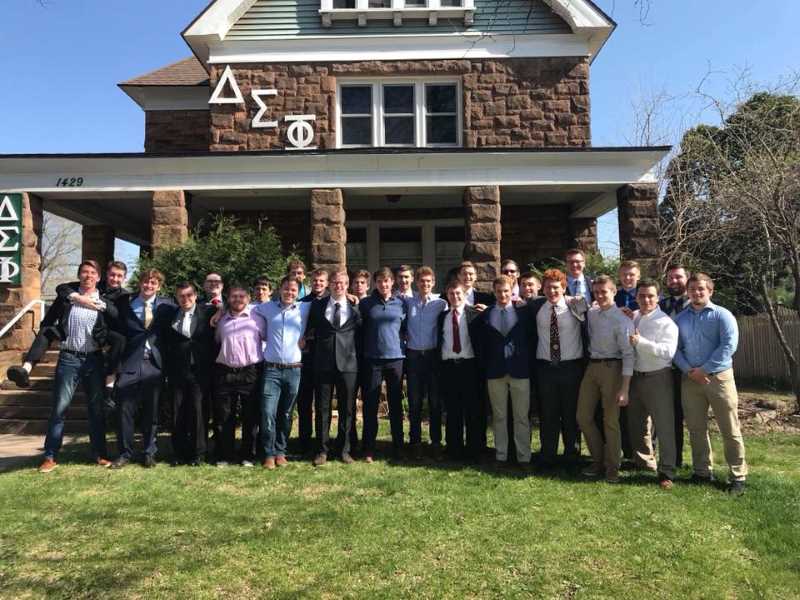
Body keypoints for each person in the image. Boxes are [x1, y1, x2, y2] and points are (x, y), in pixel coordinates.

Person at [674, 273, 747, 495]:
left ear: (710, 291)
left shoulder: (722, 315)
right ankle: (702, 472)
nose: (696, 292)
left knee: (729, 428)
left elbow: (728, 346)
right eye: (693, 289)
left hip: (719, 378)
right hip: (690, 380)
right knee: (696, 429)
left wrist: (704, 370)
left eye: (701, 289)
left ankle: (738, 476)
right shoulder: (681, 319)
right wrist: (689, 370)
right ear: (688, 291)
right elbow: (674, 350)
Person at [36, 261, 112, 473]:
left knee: (96, 410)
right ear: (79, 276)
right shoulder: (68, 298)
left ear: (98, 277)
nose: (88, 276)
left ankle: (99, 454)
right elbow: (59, 294)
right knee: (59, 408)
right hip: (69, 358)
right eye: (84, 272)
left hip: (94, 360)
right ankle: (50, 456)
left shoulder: (103, 302)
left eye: (92, 273)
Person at [7, 260, 128, 393]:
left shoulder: (124, 296)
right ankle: (26, 368)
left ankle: (110, 380)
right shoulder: (93, 283)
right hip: (73, 328)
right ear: (105, 275)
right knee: (47, 328)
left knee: (121, 339)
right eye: (112, 275)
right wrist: (78, 297)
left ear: (124, 277)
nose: (115, 279)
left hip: (102, 332)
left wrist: (101, 304)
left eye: (119, 276)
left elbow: (119, 316)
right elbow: (61, 288)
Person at [111, 269, 174, 469]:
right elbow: (117, 333)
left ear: (159, 286)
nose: (149, 285)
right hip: (129, 363)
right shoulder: (125, 304)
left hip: (154, 365)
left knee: (151, 412)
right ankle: (125, 453)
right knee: (124, 411)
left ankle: (149, 452)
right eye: (146, 282)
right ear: (140, 283)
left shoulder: (167, 306)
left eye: (153, 283)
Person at [576, 275, 634, 483]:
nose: (600, 295)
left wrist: (625, 388)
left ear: (614, 292)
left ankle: (612, 467)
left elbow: (628, 354)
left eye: (604, 292)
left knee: (610, 420)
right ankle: (598, 459)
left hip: (613, 368)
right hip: (592, 367)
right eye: (597, 292)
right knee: (583, 417)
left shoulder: (622, 319)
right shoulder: (592, 313)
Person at [529, 268, 587, 468]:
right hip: (546, 368)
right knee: (548, 413)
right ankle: (548, 455)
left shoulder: (575, 305)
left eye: (556, 287)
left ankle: (572, 456)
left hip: (571, 368)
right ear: (542, 289)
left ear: (563, 288)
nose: (552, 291)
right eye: (547, 288)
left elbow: (594, 316)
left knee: (571, 414)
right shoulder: (536, 307)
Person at [304, 270, 361, 466]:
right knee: (322, 409)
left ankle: (344, 450)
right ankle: (322, 450)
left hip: (348, 364)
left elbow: (362, 332)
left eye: (342, 283)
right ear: (330, 285)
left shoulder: (355, 306)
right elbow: (308, 327)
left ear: (348, 285)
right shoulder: (317, 305)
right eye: (335, 282)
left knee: (347, 409)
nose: (339, 286)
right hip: (323, 364)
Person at [254, 276, 311, 469]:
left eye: (293, 290)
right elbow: (243, 307)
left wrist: (353, 296)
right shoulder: (266, 307)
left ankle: (281, 451)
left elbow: (327, 303)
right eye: (286, 289)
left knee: (286, 414)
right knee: (268, 412)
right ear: (279, 289)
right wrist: (221, 311)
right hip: (272, 370)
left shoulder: (305, 307)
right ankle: (268, 453)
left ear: (298, 292)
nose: (289, 293)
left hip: (294, 370)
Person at [627, 279, 679, 490]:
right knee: (637, 423)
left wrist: (641, 343)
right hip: (636, 377)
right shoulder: (635, 316)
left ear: (658, 298)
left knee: (664, 425)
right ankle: (644, 462)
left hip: (658, 377)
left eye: (650, 296)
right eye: (642, 296)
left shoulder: (666, 323)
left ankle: (667, 471)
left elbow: (668, 352)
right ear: (636, 297)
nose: (646, 300)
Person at [480, 275, 533, 466]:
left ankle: (524, 457)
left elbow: (531, 339)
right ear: (494, 292)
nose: (503, 295)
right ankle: (501, 455)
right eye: (499, 291)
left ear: (512, 292)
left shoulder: (524, 313)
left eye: (506, 291)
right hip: (495, 371)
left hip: (520, 370)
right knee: (499, 416)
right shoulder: (487, 314)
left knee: (521, 417)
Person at [162, 282, 216, 466]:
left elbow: (224, 308)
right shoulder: (171, 315)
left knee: (198, 412)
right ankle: (179, 453)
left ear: (195, 295)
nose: (185, 299)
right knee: (177, 413)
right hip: (178, 372)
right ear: (177, 298)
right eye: (181, 296)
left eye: (189, 295)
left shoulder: (208, 312)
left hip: (200, 372)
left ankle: (198, 453)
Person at [213, 285, 266, 467]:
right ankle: (225, 455)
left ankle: (247, 455)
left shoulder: (257, 319)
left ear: (248, 298)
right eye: (234, 296)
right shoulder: (221, 320)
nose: (238, 299)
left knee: (250, 417)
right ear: (228, 299)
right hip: (225, 372)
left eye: (242, 296)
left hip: (250, 372)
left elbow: (267, 338)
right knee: (224, 416)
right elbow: (218, 340)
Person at [359, 267, 407, 462]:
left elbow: (406, 328)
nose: (383, 284)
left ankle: (398, 447)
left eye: (387, 281)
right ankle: (369, 448)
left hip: (396, 358)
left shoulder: (402, 304)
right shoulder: (366, 304)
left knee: (396, 405)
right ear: (375, 283)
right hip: (372, 359)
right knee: (370, 405)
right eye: (380, 281)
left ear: (392, 282)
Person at [436, 280, 483, 462]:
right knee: (452, 409)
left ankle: (473, 449)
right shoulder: (443, 316)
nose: (455, 297)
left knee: (472, 409)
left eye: (458, 294)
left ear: (464, 294)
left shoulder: (475, 314)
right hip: (449, 366)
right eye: (451, 294)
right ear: (446, 296)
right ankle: (453, 448)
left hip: (469, 366)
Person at [403, 266, 447, 459]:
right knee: (414, 403)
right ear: (416, 282)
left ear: (433, 282)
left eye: (428, 281)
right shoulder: (407, 302)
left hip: (432, 357)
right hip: (413, 357)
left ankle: (436, 442)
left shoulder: (441, 303)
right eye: (422, 281)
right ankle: (415, 442)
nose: (425, 284)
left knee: (435, 402)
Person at [659, 264, 691, 469]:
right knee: (671, 416)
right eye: (670, 278)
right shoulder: (661, 306)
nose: (674, 281)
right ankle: (675, 459)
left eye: (678, 277)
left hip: (690, 368)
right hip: (666, 369)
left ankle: (703, 465)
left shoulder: (695, 303)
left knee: (694, 418)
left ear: (687, 279)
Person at [296, 268, 329, 455]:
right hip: (305, 358)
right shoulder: (301, 303)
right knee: (304, 402)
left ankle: (321, 442)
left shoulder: (333, 301)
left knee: (322, 404)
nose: (318, 283)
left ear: (326, 283)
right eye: (315, 280)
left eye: (321, 280)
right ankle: (304, 442)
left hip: (325, 357)